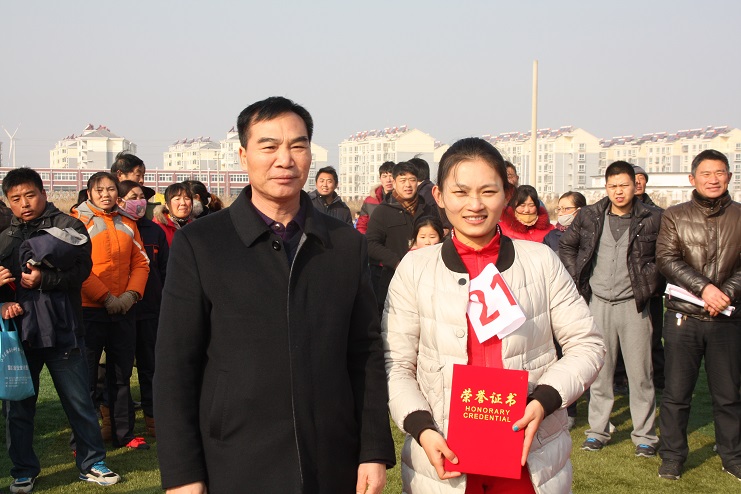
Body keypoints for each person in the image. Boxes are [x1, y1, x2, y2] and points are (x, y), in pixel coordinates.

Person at [153, 96, 395, 493]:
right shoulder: (201, 244)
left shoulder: (345, 244)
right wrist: (183, 475)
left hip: (331, 456)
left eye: (297, 146)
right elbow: (175, 365)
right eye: (269, 146)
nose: (285, 160)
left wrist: (373, 449)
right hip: (237, 459)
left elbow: (364, 351)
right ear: (243, 155)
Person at [383, 137, 604, 493]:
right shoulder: (415, 268)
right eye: (460, 192)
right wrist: (422, 427)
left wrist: (544, 399)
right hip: (444, 462)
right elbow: (396, 364)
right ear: (439, 196)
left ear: (507, 195)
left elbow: (587, 345)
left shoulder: (540, 262)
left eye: (488, 191)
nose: (474, 205)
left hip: (529, 462)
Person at [0, 168, 120, 492]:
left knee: (79, 402)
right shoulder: (5, 236)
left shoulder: (69, 226)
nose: (24, 203)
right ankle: (23, 469)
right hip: (19, 336)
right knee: (18, 407)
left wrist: (45, 279)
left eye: (30, 195)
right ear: (8, 202)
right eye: (15, 198)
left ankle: (92, 462)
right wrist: (1, 301)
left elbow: (81, 271)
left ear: (43, 193)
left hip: (63, 330)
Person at [559, 161, 663, 457]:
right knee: (600, 372)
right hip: (597, 303)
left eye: (624, 185)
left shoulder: (653, 217)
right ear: (606, 187)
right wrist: (578, 276)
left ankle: (644, 435)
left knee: (640, 374)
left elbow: (666, 255)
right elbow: (567, 246)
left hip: (635, 306)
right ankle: (597, 431)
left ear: (635, 186)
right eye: (613, 186)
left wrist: (650, 281)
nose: (619, 191)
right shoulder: (590, 215)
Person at [656, 149, 741, 481]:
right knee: (676, 394)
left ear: (729, 177)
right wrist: (704, 289)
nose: (713, 179)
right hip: (684, 317)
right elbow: (667, 259)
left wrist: (725, 294)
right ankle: (672, 456)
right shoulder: (675, 215)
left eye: (719, 173)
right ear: (693, 178)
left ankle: (732, 455)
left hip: (728, 319)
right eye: (706, 173)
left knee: (729, 395)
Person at [71, 172, 150, 451]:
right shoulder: (77, 223)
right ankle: (83, 439)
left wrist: (130, 295)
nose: (106, 194)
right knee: (86, 378)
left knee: (120, 374)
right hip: (89, 310)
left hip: (124, 309)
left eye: (111, 189)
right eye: (99, 190)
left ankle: (124, 434)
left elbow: (141, 262)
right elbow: (77, 266)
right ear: (89, 194)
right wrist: (105, 297)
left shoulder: (128, 222)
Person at [117, 180, 169, 438]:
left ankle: (154, 418)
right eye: (132, 196)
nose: (138, 201)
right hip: (120, 311)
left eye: (141, 197)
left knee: (151, 367)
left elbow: (165, 270)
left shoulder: (154, 231)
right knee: (120, 371)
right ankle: (118, 423)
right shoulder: (114, 227)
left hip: (150, 309)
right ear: (119, 200)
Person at [366, 161, 436, 315]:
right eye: (403, 180)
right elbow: (370, 243)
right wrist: (396, 262)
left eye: (412, 180)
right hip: (391, 280)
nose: (408, 185)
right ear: (394, 183)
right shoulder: (383, 211)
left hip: (425, 280)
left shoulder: (428, 209)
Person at [543, 190, 587, 430]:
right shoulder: (551, 237)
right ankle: (567, 409)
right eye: (559, 209)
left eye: (566, 209)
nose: (561, 213)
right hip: (558, 301)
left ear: (580, 211)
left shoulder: (591, 234)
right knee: (560, 357)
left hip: (586, 297)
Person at [632, 164, 665, 390]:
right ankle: (623, 378)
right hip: (626, 286)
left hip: (651, 285)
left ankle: (659, 378)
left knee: (654, 336)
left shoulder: (658, 213)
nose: (638, 182)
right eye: (634, 178)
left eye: (641, 178)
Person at [356, 161, 395, 234]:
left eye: (391, 176)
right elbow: (362, 225)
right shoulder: (370, 200)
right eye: (384, 176)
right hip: (373, 239)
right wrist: (366, 239)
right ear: (380, 178)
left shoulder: (403, 199)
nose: (388, 180)